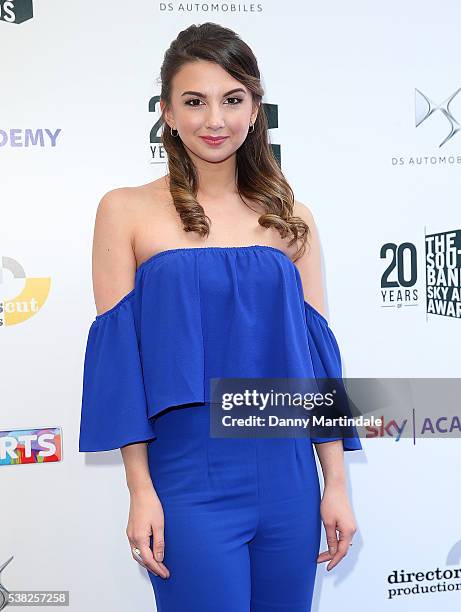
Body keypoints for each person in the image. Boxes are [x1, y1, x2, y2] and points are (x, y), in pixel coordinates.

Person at [79, 22, 362, 612]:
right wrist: (140, 489)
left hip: (287, 474)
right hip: (186, 477)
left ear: (256, 109)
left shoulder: (293, 217)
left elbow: (316, 362)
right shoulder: (125, 210)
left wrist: (335, 483)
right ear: (167, 112)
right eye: (194, 101)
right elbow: (119, 363)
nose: (215, 119)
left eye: (233, 100)